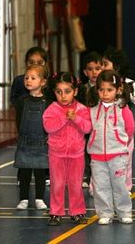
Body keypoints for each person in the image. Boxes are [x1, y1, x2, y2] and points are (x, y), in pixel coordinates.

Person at [43, 72, 92, 226]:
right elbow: (48, 127)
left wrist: (75, 118)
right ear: (54, 93)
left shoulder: (82, 109)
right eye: (59, 92)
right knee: (57, 183)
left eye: (67, 91)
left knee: (76, 184)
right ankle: (55, 212)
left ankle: (77, 212)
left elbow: (88, 128)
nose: (63, 96)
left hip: (76, 154)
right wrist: (64, 117)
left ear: (75, 91)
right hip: (56, 154)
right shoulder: (52, 109)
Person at [87, 70, 134, 225]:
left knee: (120, 185)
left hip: (118, 155)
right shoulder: (93, 110)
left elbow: (130, 129)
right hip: (97, 155)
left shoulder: (123, 109)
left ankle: (124, 211)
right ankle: (105, 212)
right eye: (101, 90)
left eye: (109, 90)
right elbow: (87, 128)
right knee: (100, 186)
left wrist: (121, 143)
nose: (105, 93)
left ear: (118, 90)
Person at [14, 65, 51, 211]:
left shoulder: (47, 102)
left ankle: (39, 198)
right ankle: (23, 198)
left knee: (40, 172)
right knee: (24, 172)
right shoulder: (22, 101)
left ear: (42, 82)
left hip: (42, 143)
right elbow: (18, 120)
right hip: (25, 142)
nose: (28, 80)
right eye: (26, 78)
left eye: (33, 78)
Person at [102, 47, 135, 193]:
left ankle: (125, 186)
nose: (102, 68)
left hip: (123, 128)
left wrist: (124, 91)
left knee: (125, 159)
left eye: (105, 64)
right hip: (105, 128)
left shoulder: (128, 82)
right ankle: (101, 186)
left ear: (116, 66)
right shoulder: (102, 83)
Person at [77, 51, 103, 190]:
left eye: (97, 69)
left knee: (98, 153)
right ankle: (87, 176)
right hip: (85, 126)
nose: (94, 72)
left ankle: (98, 177)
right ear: (85, 72)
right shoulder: (82, 89)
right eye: (90, 69)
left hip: (100, 126)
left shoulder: (104, 88)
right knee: (85, 152)